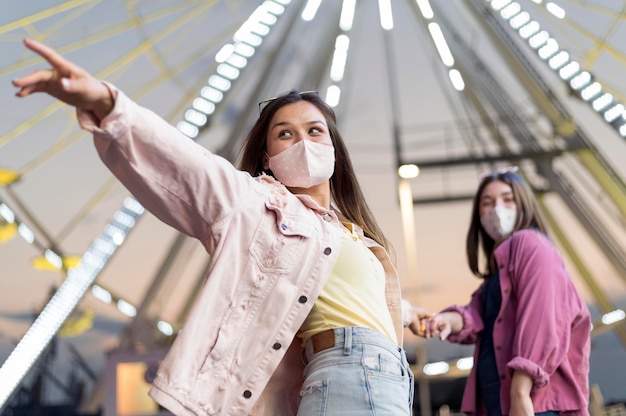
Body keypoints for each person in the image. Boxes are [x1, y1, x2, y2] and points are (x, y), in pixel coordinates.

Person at [13, 38, 430, 416]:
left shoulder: (352, 234)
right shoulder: (257, 204)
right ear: (266, 157)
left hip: (392, 379)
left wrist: (414, 314)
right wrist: (107, 103)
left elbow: (346, 292)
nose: (302, 141)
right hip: (343, 375)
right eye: (285, 133)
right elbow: (186, 167)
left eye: (314, 130)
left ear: (334, 148)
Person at [422, 167, 591, 416]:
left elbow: (542, 319)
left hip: (532, 401)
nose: (497, 209)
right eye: (487, 203)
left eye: (507, 199)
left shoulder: (531, 245)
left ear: (524, 204)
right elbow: (475, 315)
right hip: (501, 400)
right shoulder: (497, 273)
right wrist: (445, 319)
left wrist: (520, 390)